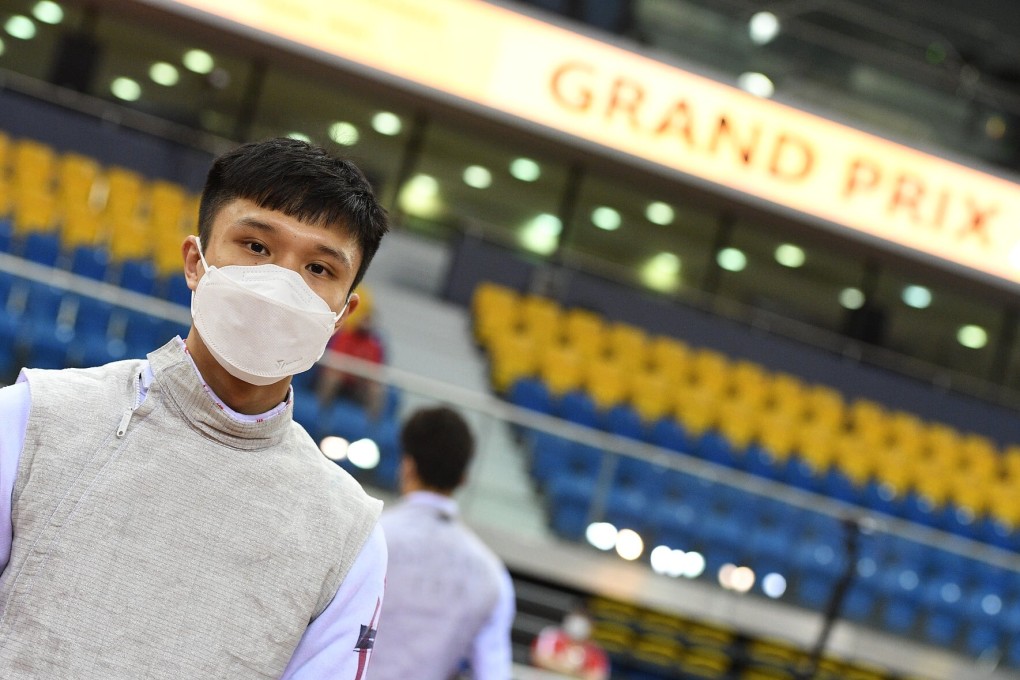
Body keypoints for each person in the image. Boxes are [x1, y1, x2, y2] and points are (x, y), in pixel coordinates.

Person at [0, 137, 390, 679]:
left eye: (319, 269)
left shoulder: (348, 531)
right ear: (196, 262)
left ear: (342, 314)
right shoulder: (35, 417)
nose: (282, 285)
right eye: (256, 247)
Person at [370, 406, 516, 680]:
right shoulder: (491, 573)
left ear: (407, 466)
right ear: (463, 478)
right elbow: (493, 673)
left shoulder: (369, 535)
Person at [315, 285, 388, 420]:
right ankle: (320, 416)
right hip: (341, 380)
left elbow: (374, 371)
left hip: (359, 385)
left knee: (377, 390)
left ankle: (373, 428)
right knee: (332, 377)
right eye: (364, 318)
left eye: (370, 319)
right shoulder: (344, 335)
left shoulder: (375, 344)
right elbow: (335, 361)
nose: (367, 323)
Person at [530, 607, 610, 680]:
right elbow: (539, 658)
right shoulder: (551, 635)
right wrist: (570, 670)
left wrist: (568, 670)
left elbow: (598, 676)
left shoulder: (594, 651)